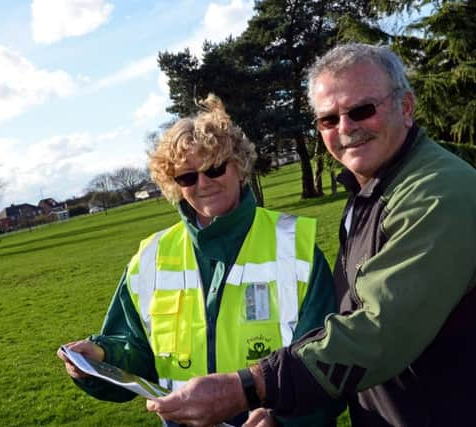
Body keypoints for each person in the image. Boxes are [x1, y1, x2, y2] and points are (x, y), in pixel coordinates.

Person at [146, 43, 476, 427]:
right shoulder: (371, 189)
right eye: (328, 120)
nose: (345, 128)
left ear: (406, 106)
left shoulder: (436, 192)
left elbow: (378, 329)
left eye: (361, 110)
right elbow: (347, 313)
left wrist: (250, 386)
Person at [57, 94, 343, 426]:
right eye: (187, 177)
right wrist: (100, 357)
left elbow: (330, 363)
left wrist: (285, 420)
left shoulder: (296, 246)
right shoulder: (150, 257)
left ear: (239, 166)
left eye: (214, 168)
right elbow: (135, 352)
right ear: (173, 184)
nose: (203, 183)